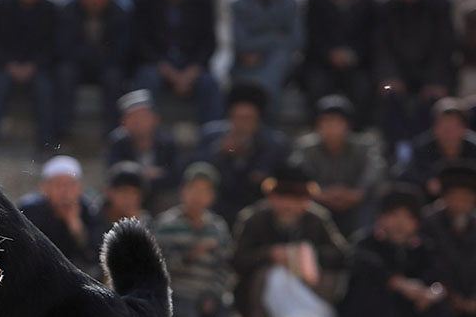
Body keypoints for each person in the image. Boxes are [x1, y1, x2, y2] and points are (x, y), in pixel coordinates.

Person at [232, 164, 349, 317]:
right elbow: (237, 260)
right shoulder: (254, 219)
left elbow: (340, 255)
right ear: (271, 197)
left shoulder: (317, 220)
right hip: (261, 292)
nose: (288, 205)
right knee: (270, 277)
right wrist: (269, 255)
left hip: (308, 285)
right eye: (282, 197)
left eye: (295, 199)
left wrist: (308, 255)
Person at [342, 184, 446, 317]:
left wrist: (430, 293)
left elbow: (436, 276)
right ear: (380, 218)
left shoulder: (423, 248)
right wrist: (398, 283)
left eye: (408, 217)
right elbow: (364, 265)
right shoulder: (366, 243)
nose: (400, 223)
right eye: (394, 215)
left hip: (410, 316)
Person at [190, 82, 291, 228]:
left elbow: (283, 182)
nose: (243, 124)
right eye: (238, 118)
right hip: (218, 204)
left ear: (259, 120)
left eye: (249, 119)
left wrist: (264, 180)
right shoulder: (211, 137)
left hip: (258, 205)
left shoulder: (275, 144)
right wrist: (219, 152)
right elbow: (193, 169)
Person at [153, 163, 236, 317]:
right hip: (178, 293)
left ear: (212, 196)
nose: (198, 196)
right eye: (194, 189)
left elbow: (225, 268)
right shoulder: (167, 225)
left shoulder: (218, 227)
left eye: (205, 191)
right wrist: (190, 255)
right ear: (183, 191)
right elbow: (158, 268)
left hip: (209, 294)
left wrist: (212, 295)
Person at [376, 0, 457, 158]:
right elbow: (381, 47)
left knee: (432, 102)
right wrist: (390, 77)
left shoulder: (440, 4)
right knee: (389, 96)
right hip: (396, 77)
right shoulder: (385, 6)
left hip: (432, 77)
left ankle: (424, 152)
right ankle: (399, 151)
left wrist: (435, 81)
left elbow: (444, 47)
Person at [0, 0, 59, 152]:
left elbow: (54, 45)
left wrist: (34, 66)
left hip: (38, 68)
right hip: (4, 66)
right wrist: (10, 64)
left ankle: (46, 144)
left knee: (44, 87)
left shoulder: (52, 9)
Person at [291, 95, 385, 238]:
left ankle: (361, 244)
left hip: (356, 200)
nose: (332, 128)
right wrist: (319, 192)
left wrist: (358, 192)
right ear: (317, 125)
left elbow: (375, 169)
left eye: (337, 122)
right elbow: (298, 171)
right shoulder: (306, 148)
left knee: (371, 203)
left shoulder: (364, 146)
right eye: (326, 122)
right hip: (318, 199)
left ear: (348, 126)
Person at [128, 0, 222, 124]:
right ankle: (147, 136)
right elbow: (140, 44)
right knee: (146, 82)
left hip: (192, 65)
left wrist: (192, 70)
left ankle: (212, 136)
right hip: (156, 64)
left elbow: (209, 43)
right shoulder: (143, 2)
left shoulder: (202, 1)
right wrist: (167, 70)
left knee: (209, 84)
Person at [56, 0, 130, 139]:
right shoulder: (68, 11)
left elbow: (121, 51)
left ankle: (113, 134)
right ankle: (62, 132)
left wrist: (93, 56)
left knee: (114, 76)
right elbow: (64, 48)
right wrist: (96, 55)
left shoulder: (119, 13)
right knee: (65, 72)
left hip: (106, 67)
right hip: (79, 66)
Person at [302, 0, 378, 128]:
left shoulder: (370, 4)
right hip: (322, 63)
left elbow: (371, 39)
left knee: (363, 87)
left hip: (357, 65)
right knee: (316, 85)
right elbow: (312, 36)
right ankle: (319, 130)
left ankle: (356, 131)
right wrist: (329, 54)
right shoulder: (315, 1)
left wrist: (352, 56)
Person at [18, 155, 103, 280]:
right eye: (59, 185)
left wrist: (76, 226)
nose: (65, 191)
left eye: (70, 185)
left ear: (79, 189)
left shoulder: (87, 210)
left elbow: (94, 254)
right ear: (45, 188)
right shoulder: (31, 210)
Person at [420, 162, 476, 317]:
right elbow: (425, 263)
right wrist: (452, 296)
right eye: (454, 197)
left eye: (466, 197)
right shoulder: (428, 222)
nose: (460, 203)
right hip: (442, 294)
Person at [229, 0, 303, 122]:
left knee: (279, 60)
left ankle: (267, 124)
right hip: (247, 62)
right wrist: (276, 37)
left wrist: (258, 44)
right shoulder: (238, 3)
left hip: (279, 63)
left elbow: (296, 41)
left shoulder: (290, 2)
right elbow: (241, 42)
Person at [106, 89, 180, 212]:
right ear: (124, 123)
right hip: (128, 193)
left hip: (158, 194)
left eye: (143, 117)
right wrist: (143, 175)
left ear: (155, 119)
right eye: (133, 117)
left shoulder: (167, 142)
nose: (138, 122)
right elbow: (113, 174)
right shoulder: (117, 142)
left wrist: (142, 179)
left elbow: (175, 176)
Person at [397, 98, 476, 200]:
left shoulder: (474, 148)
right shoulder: (421, 149)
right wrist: (427, 183)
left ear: (464, 128)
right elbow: (410, 176)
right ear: (434, 128)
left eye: (453, 127)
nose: (448, 133)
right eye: (444, 127)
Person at [93, 161, 151, 237]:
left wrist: (134, 226)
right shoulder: (93, 218)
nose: (130, 198)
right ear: (109, 191)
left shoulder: (144, 221)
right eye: (124, 192)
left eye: (135, 193)